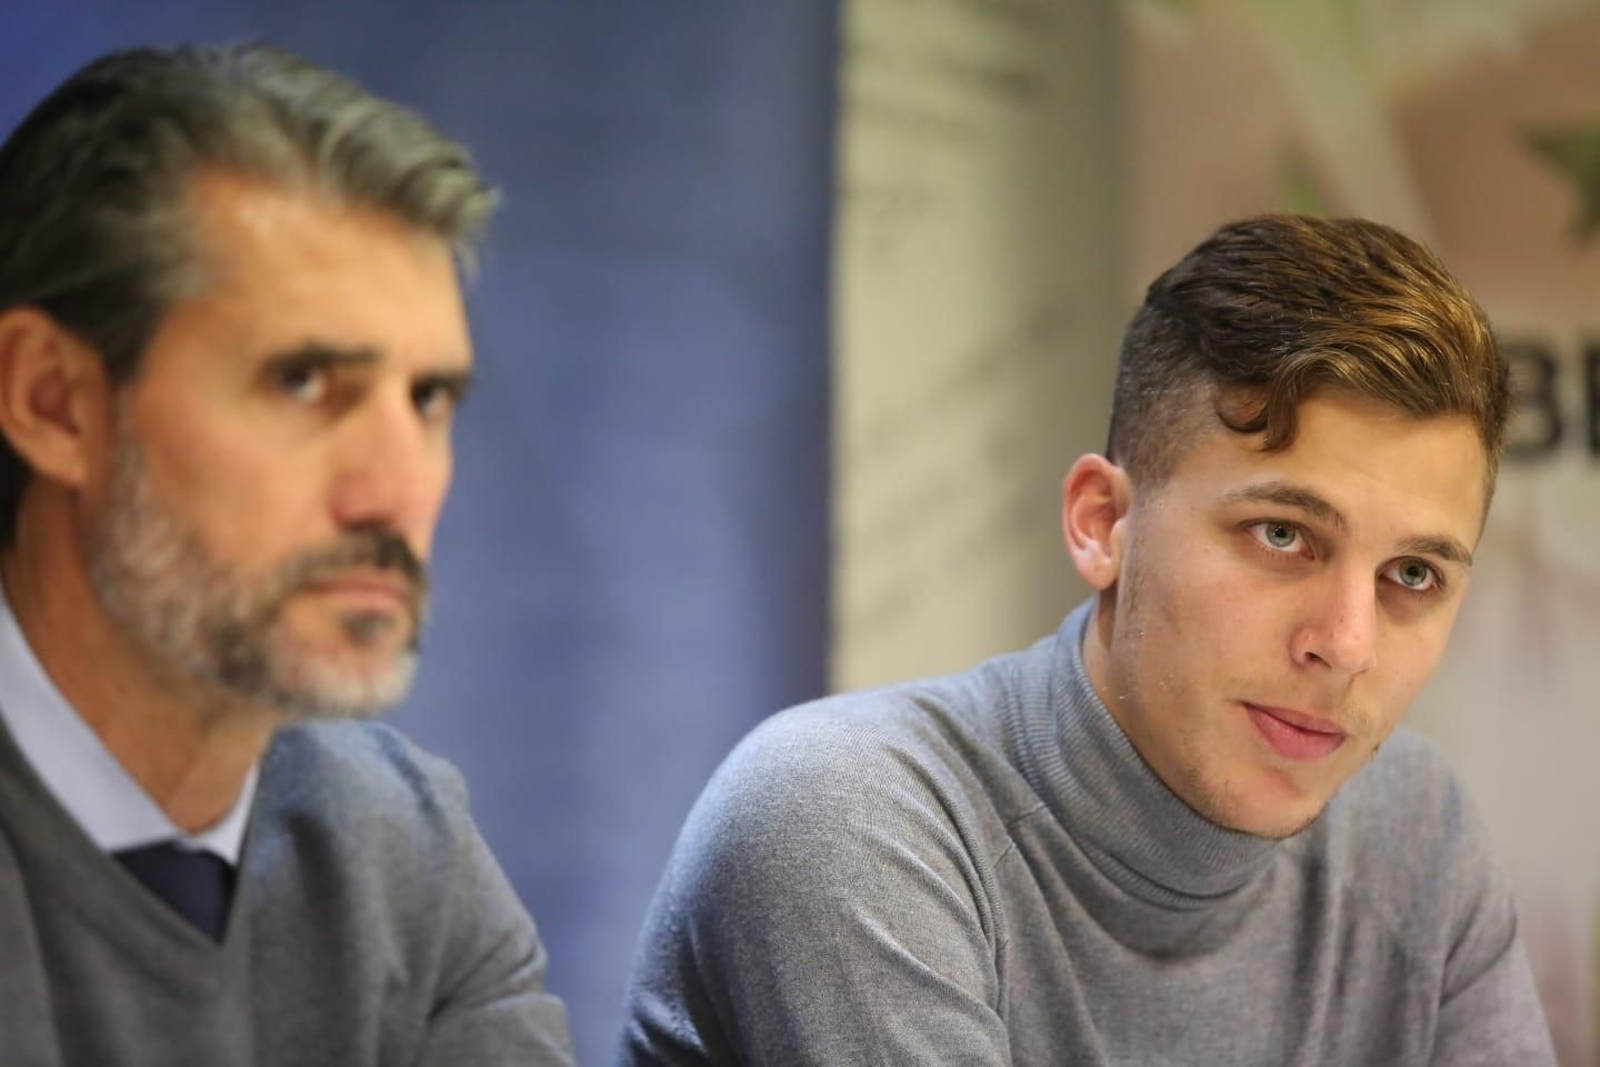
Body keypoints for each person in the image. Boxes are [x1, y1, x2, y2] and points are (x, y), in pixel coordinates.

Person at [619, 215, 1556, 1065]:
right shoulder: (841, 816)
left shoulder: (1415, 830)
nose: (1347, 644)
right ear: (1103, 522)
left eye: (1414, 576)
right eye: (1282, 535)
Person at [0, 43, 572, 1064]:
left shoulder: (405, 844)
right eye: (306, 381)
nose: (397, 489)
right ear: (55, 402)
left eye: (429, 399)